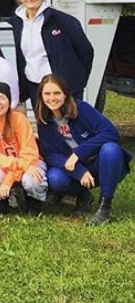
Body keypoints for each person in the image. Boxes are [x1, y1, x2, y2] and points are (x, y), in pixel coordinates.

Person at [35, 73, 129, 225]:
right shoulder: (44, 121)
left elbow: (110, 132)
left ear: (65, 94)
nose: (52, 98)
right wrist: (79, 171)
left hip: (101, 164)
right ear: (41, 96)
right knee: (54, 178)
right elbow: (51, 154)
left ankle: (105, 206)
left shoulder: (81, 108)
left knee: (110, 149)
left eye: (57, 93)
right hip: (75, 169)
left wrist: (78, 153)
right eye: (47, 93)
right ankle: (84, 196)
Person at [9, 0, 94, 106]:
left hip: (62, 85)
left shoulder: (62, 20)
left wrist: (78, 80)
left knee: (70, 123)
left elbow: (86, 51)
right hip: (35, 85)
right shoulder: (17, 23)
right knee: (44, 123)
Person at [0, 82, 47, 216]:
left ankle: (33, 201)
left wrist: (8, 180)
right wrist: (12, 173)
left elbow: (29, 153)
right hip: (3, 164)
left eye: (2, 98)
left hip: (29, 162)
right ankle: (0, 200)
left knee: (32, 177)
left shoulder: (19, 119)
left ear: (9, 101)